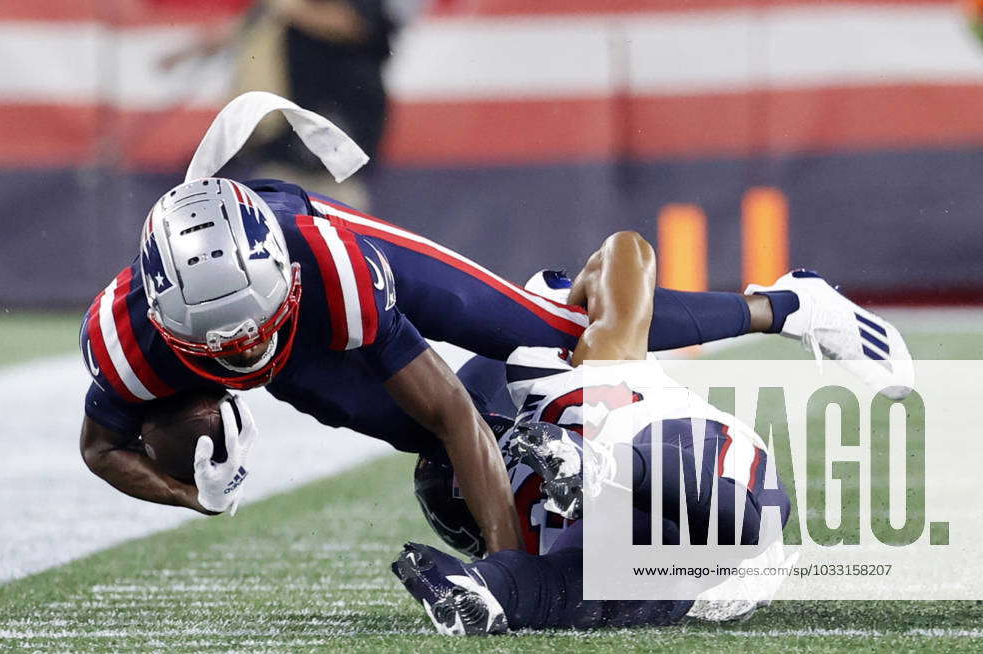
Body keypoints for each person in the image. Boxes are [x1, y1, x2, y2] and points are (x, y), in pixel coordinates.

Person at [78, 97, 913, 563]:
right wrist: (194, 496)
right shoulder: (127, 344)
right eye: (222, 348)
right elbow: (100, 447)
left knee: (547, 326)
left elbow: (454, 412)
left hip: (348, 273)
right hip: (299, 314)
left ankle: (787, 305)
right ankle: (559, 428)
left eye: (254, 326)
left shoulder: (327, 269)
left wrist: (515, 582)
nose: (246, 349)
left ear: (279, 282)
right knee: (431, 444)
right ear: (170, 325)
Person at [390, 230, 885, 635]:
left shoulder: (552, 364)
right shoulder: (533, 402)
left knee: (732, 519)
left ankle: (603, 471)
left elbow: (625, 252)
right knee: (588, 584)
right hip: (665, 557)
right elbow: (626, 255)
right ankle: (485, 591)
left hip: (674, 457)